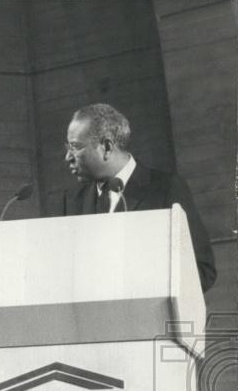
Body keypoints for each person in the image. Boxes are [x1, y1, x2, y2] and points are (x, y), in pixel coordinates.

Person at [61, 102, 216, 293]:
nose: (68, 156)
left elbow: (202, 271)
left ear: (107, 147)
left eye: (75, 147)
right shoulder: (72, 201)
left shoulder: (166, 189)